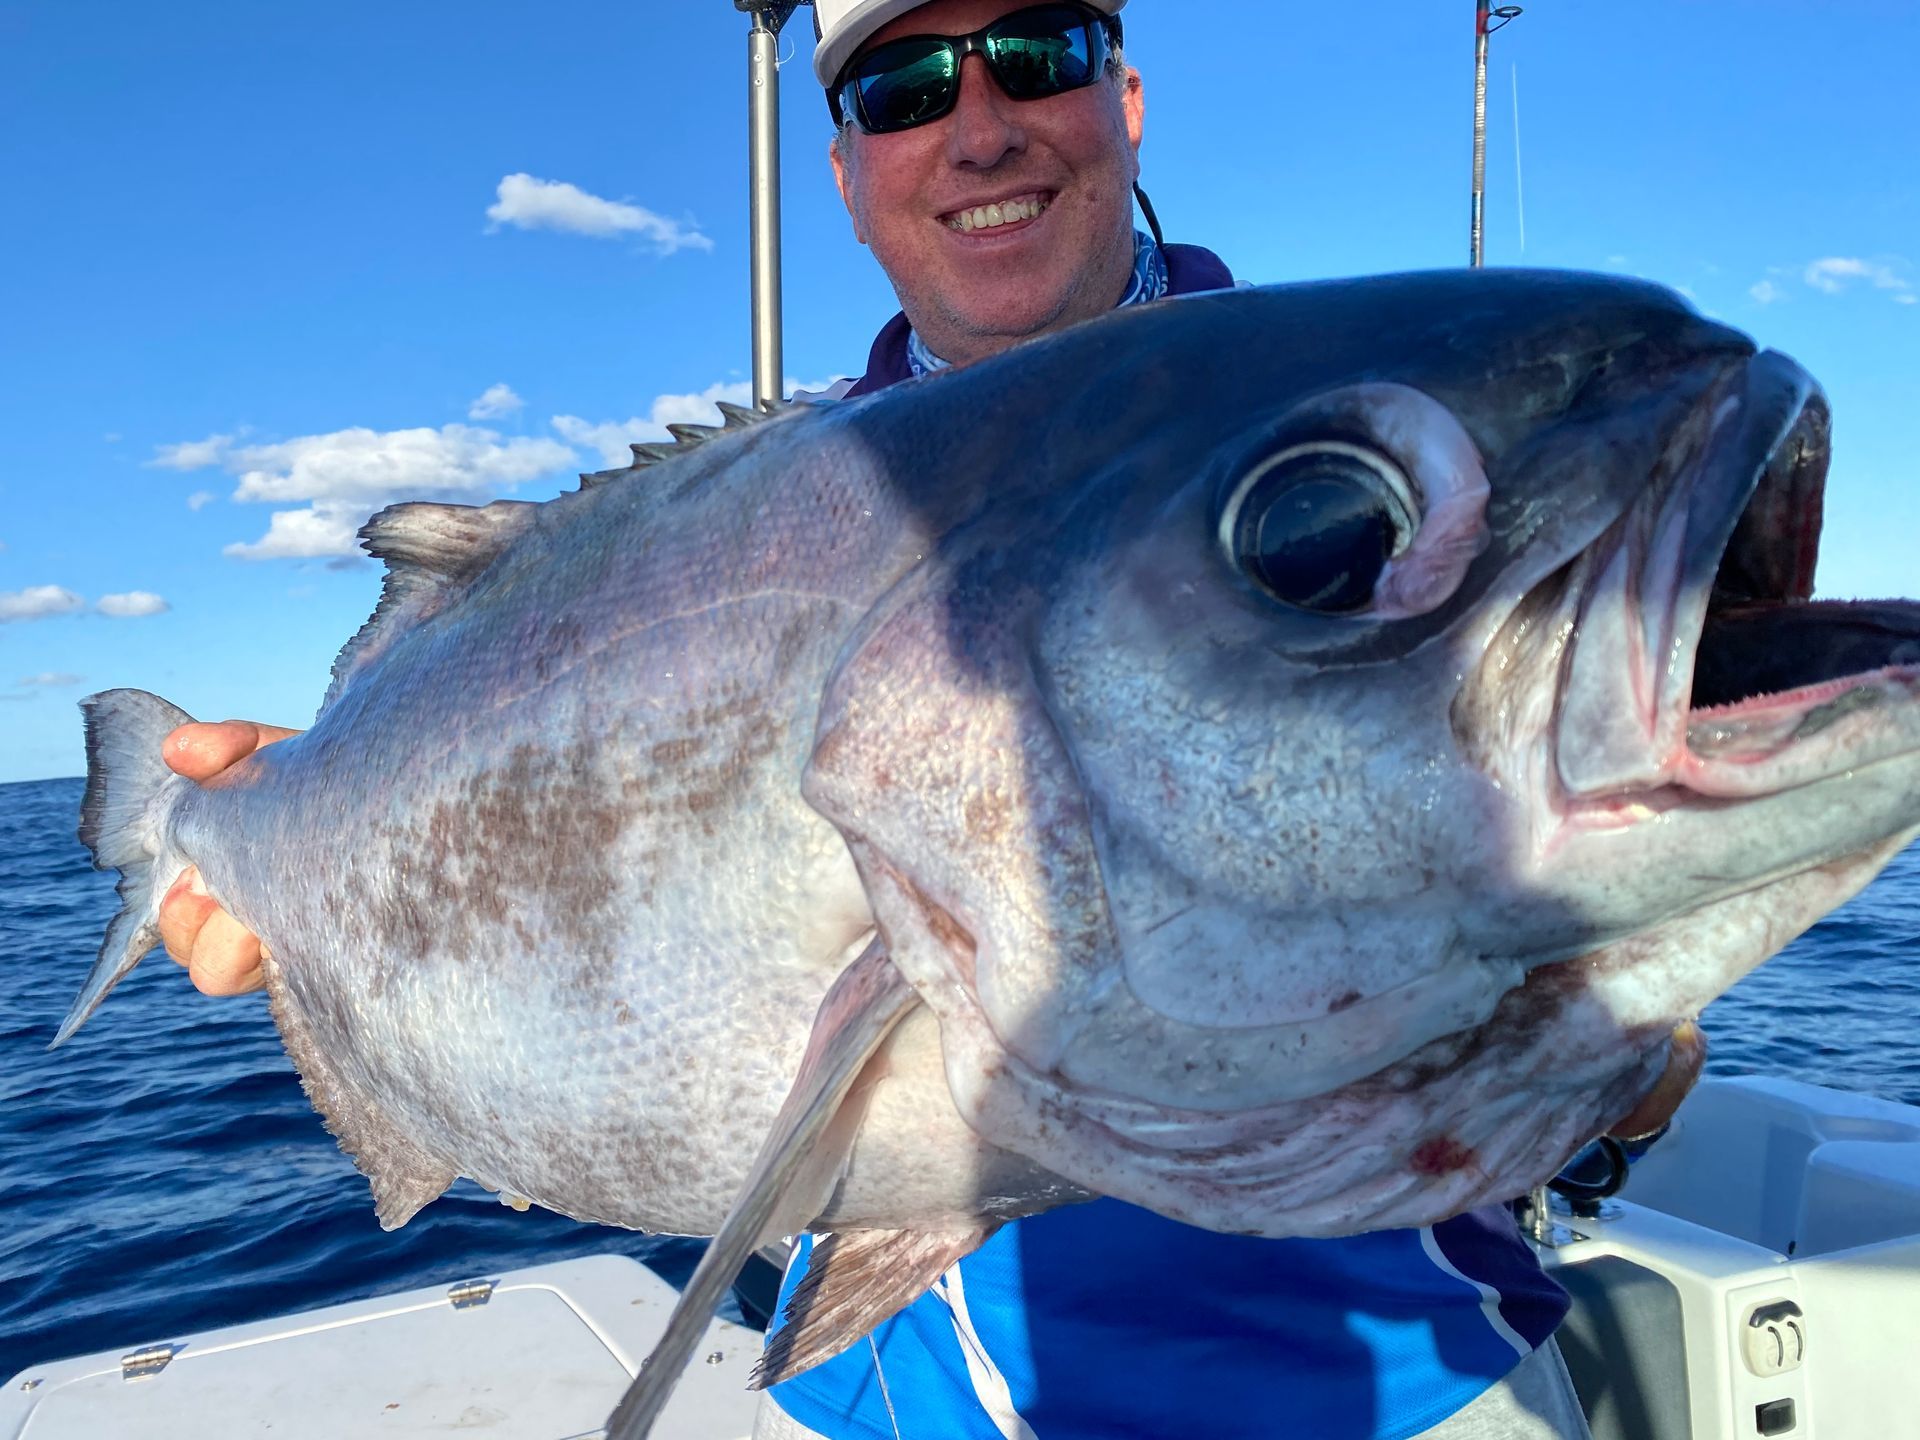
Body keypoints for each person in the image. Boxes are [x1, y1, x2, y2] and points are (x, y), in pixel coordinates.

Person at [159, 3, 1700, 1436]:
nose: (979, 125)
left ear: (1127, 97)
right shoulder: (734, 525)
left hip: (1400, 1396)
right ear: (844, 171)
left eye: (1035, 52)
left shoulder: (1330, 437)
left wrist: (1608, 1055)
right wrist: (294, 861)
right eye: (902, 87)